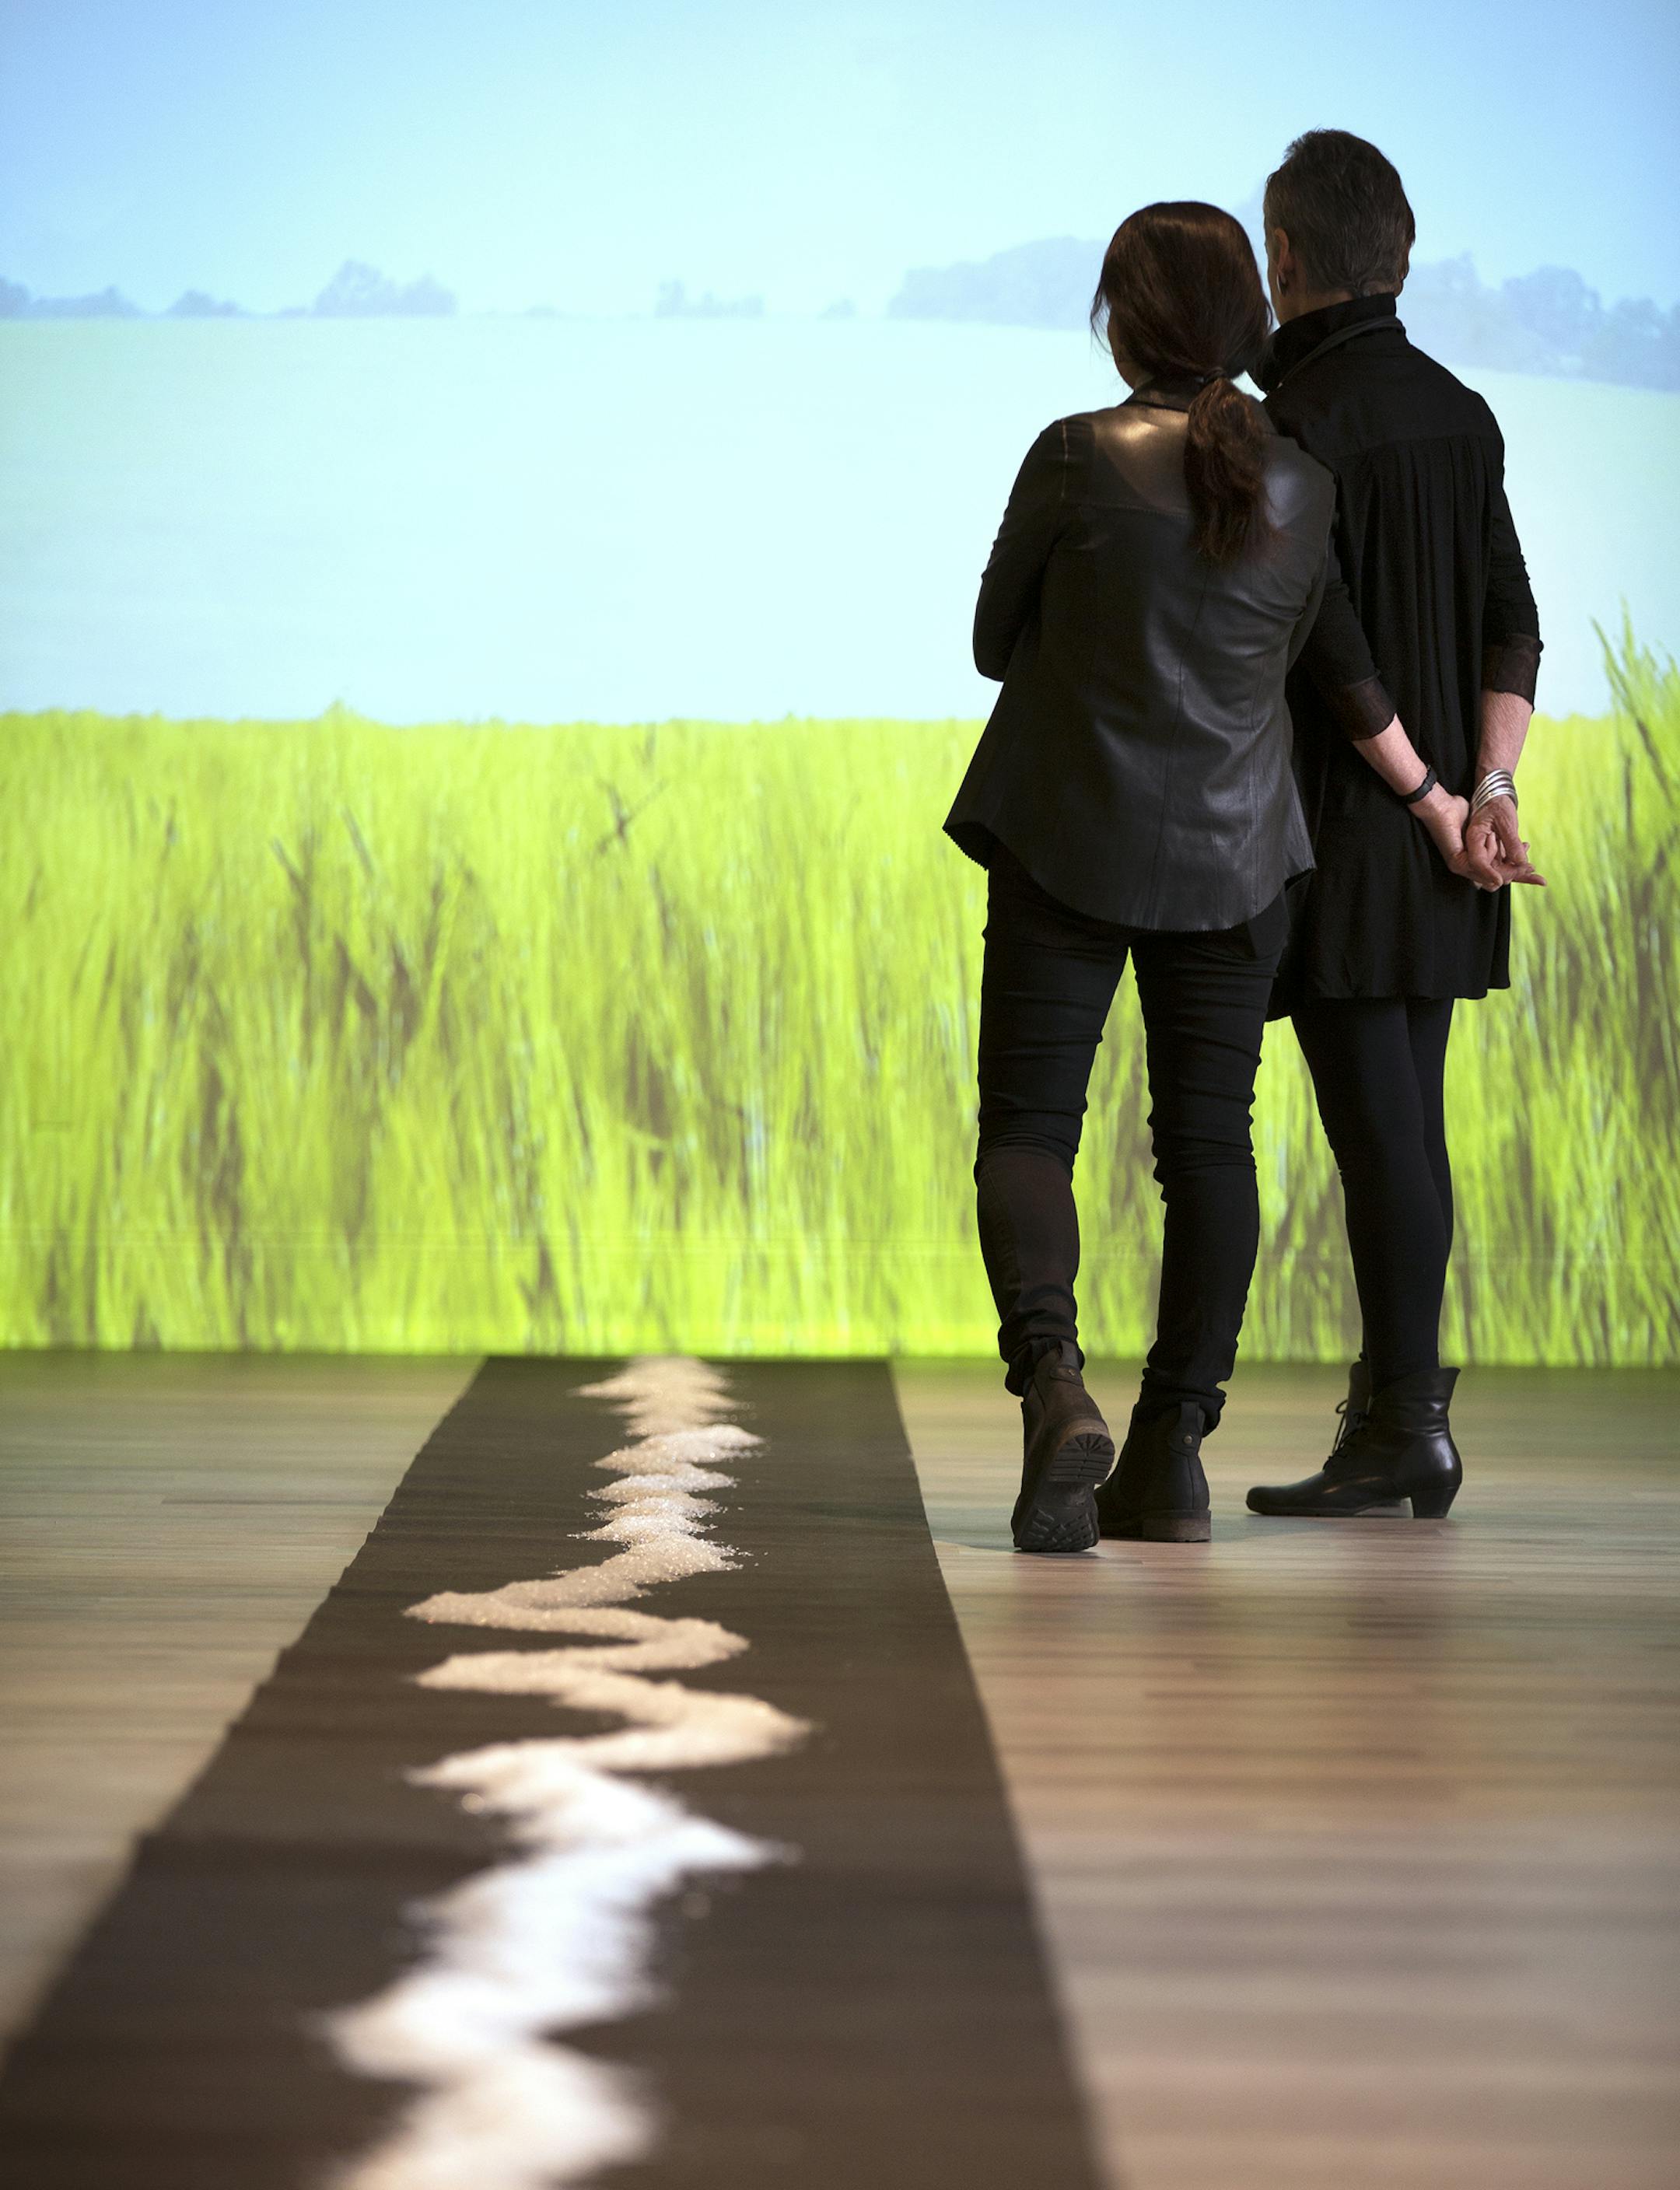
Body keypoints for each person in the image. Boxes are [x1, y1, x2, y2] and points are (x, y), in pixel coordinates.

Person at [943, 202, 1460, 1555]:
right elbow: (1336, 670)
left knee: (1029, 1132)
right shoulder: (1299, 483)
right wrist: (1444, 800)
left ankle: (1057, 1391)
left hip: (1064, 840)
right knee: (1207, 1150)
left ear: (1123, 320)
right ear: (1248, 321)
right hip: (1240, 870)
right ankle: (1170, 1454)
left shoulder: (1074, 456)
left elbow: (996, 641)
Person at [1244, 131, 1545, 1522]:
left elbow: (1328, 642)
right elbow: (1515, 621)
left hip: (1361, 833)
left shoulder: (1294, 424)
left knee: (1382, 1139)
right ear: (1404, 251)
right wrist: (1487, 793)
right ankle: (1395, 1415)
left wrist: (1425, 798)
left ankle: (1407, 1426)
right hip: (1441, 838)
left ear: (1286, 261)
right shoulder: (1462, 409)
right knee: (1405, 1128)